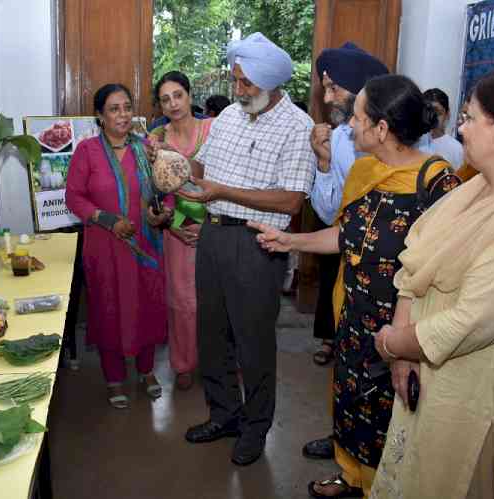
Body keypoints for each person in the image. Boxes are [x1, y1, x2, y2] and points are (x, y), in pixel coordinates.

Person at [249, 74, 461, 498]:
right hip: (354, 313)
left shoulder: (437, 183)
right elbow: (345, 236)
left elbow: (449, 269)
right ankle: (352, 477)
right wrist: (290, 241)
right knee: (351, 400)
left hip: (402, 328)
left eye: (359, 117)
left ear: (381, 128)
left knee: (395, 414)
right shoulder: (364, 171)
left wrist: (413, 344)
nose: (349, 125)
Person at [370, 69, 494, 499]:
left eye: (468, 118)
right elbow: (415, 262)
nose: (459, 128)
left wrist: (392, 343)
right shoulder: (473, 190)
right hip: (420, 377)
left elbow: (473, 321)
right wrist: (403, 355)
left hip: (470, 396)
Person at [179, 32, 317, 466]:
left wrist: (224, 191)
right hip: (214, 236)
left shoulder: (299, 127)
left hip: (259, 244)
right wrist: (175, 160)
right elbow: (204, 169)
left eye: (246, 84)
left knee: (253, 341)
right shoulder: (228, 119)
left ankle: (256, 428)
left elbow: (291, 199)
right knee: (212, 335)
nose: (238, 91)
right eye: (235, 81)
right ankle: (224, 415)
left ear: (271, 83)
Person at [65, 83, 171, 410]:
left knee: (148, 304)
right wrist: (108, 220)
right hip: (106, 246)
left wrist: (162, 212)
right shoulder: (87, 151)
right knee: (109, 308)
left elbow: (164, 188)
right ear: (100, 115)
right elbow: (73, 198)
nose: (122, 115)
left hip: (145, 243)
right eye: (114, 109)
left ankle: (146, 371)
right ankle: (113, 378)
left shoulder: (147, 148)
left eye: (127, 107)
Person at [309, 42, 389, 372]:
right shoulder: (340, 139)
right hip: (347, 259)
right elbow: (330, 215)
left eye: (333, 89)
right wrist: (325, 163)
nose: (327, 99)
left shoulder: (405, 139)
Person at [149, 71, 213, 391]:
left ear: (189, 96)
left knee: (219, 298)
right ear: (159, 106)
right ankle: (183, 363)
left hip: (218, 225)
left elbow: (233, 180)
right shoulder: (156, 141)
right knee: (182, 301)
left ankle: (221, 361)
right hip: (178, 230)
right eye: (165, 99)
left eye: (178, 95)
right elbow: (155, 196)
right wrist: (177, 226)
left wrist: (208, 224)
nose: (173, 103)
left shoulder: (214, 130)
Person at [423, 88, 464, 169]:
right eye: (429, 112)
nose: (432, 117)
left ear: (447, 114)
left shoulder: (456, 149)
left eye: (437, 113)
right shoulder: (413, 143)